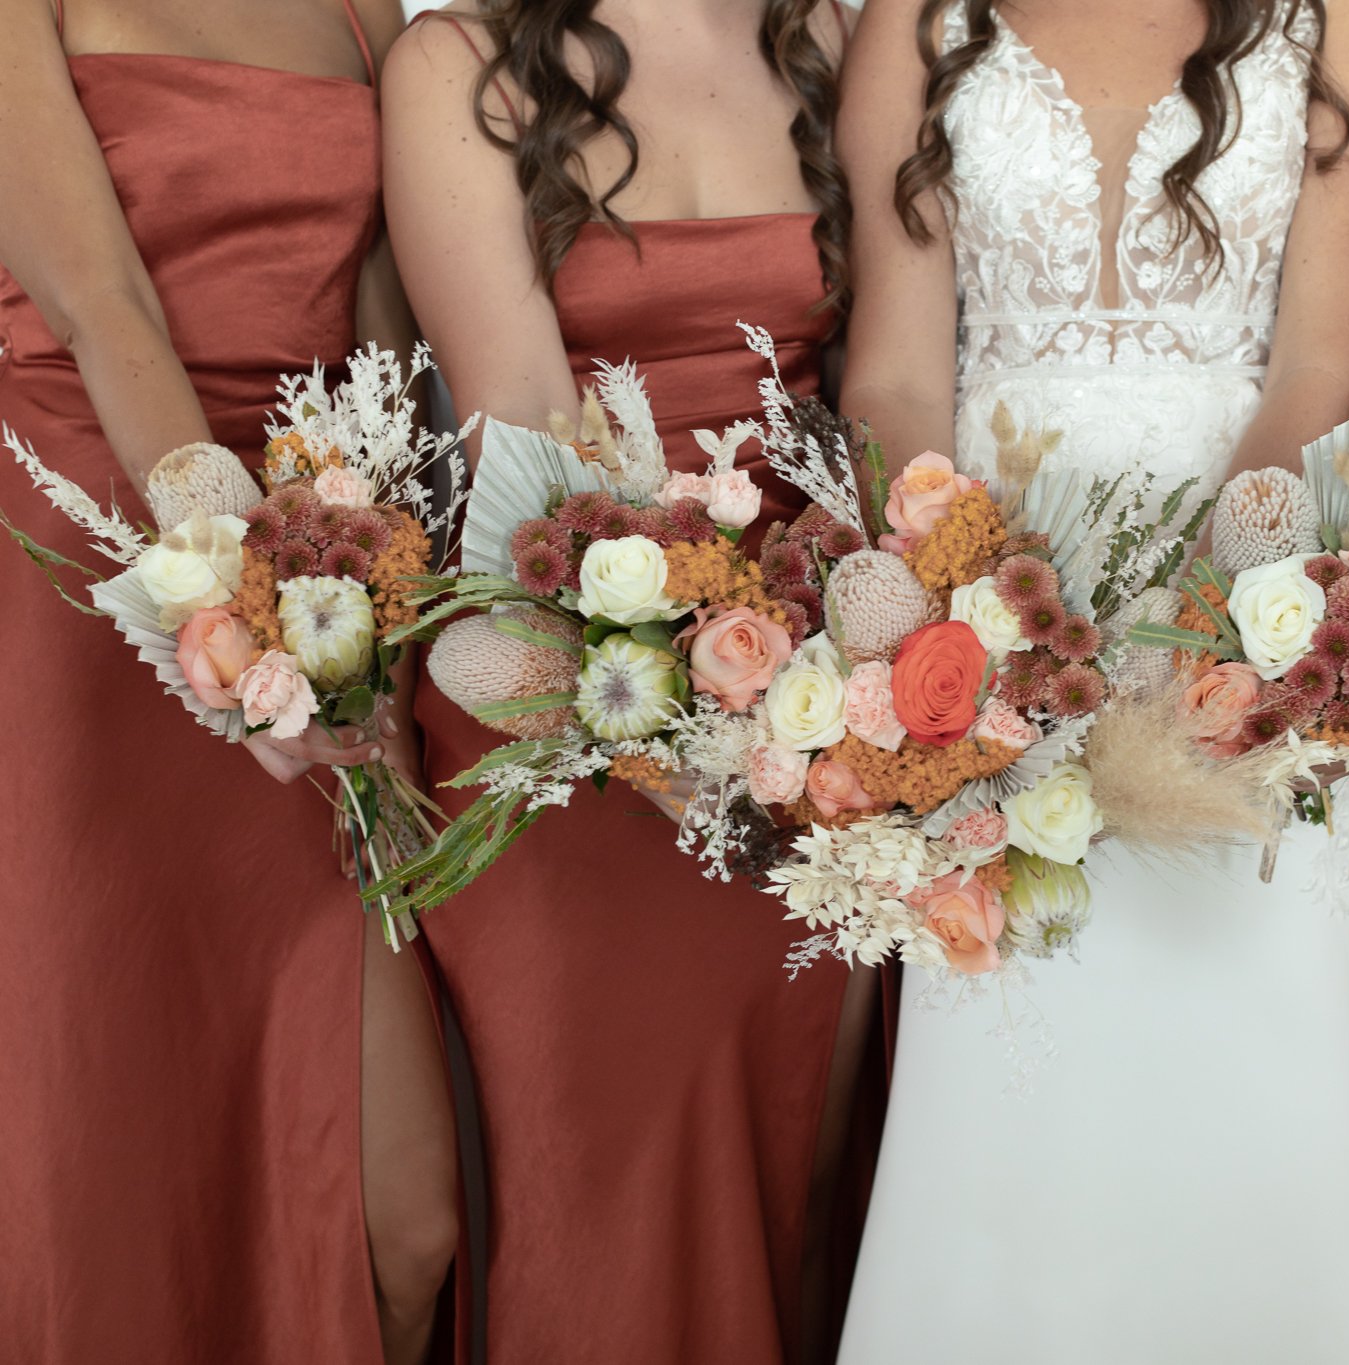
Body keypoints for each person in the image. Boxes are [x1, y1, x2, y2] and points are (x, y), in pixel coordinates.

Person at [832, 1, 1349, 1359]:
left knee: (1263, 1095)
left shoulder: (1346, 17)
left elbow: (1327, 366)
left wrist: (1214, 633)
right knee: (1020, 1108)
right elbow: (892, 374)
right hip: (986, 629)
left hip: (1264, 610)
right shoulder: (917, 24)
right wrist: (959, 625)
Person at [380, 2, 877, 1358]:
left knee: (808, 1173)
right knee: (611, 1175)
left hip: (815, 704)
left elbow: (879, 399)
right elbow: (527, 439)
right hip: (565, 692)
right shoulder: (460, 68)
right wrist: (694, 748)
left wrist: (835, 714)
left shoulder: (829, 35)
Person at [0, 1, 458, 1361]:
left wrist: (379, 629)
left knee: (407, 1220)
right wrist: (227, 599)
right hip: (87, 573)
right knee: (110, 1165)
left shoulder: (362, 12)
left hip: (317, 586)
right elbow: (98, 302)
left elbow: (387, 371)